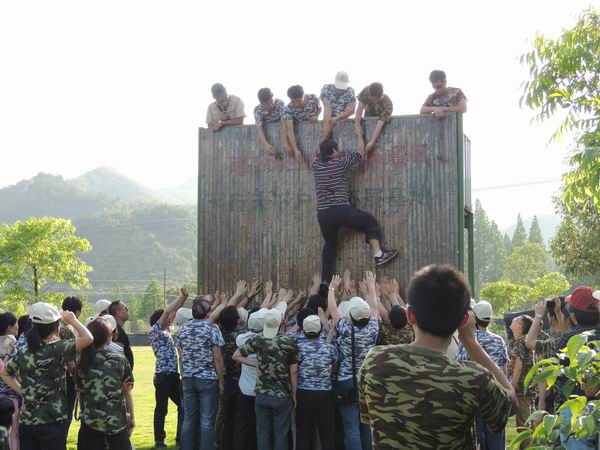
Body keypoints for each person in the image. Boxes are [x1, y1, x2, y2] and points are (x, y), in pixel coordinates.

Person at [358, 265, 515, 450]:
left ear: (410, 316)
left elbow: (368, 416)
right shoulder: (473, 379)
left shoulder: (374, 362)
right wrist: (470, 341)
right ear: (463, 321)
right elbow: (511, 405)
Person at [0, 302, 93, 450]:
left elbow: (5, 374)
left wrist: (23, 391)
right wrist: (73, 320)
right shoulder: (58, 348)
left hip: (28, 422)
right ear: (55, 327)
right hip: (53, 421)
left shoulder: (23, 351)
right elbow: (88, 338)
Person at [313, 138, 398, 287]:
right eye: (337, 149)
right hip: (341, 210)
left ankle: (325, 282)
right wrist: (359, 133)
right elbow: (361, 152)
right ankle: (379, 254)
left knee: (329, 246)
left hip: (324, 214)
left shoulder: (316, 164)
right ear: (334, 150)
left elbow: (319, 151)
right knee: (369, 221)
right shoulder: (341, 162)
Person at [233, 308, 300, 450]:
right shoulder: (289, 341)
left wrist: (254, 363)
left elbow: (236, 355)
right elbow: (294, 372)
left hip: (262, 394)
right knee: (281, 435)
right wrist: (294, 394)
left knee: (263, 433)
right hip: (282, 395)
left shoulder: (257, 339)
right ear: (281, 323)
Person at [327, 272, 379, 450]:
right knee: (367, 428)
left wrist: (332, 289)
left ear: (350, 315)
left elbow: (333, 310)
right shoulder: (373, 329)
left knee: (351, 430)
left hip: (346, 381)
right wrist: (371, 287)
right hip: (367, 381)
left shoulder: (345, 328)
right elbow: (375, 308)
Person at [456, 300, 509, 450]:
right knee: (496, 439)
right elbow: (504, 370)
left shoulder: (468, 340)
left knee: (477, 439)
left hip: (474, 395)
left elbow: (460, 363)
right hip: (495, 394)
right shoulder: (499, 340)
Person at [77, 318, 134, 450]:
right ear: (109, 337)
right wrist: (131, 417)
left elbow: (80, 391)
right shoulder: (119, 360)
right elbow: (127, 390)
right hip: (116, 422)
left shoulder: (82, 361)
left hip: (90, 423)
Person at [175, 296, 225, 450]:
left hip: (188, 378)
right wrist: (221, 380)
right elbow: (217, 356)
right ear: (208, 313)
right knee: (207, 421)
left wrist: (183, 375)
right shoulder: (212, 328)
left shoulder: (183, 329)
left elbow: (181, 356)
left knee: (189, 419)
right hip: (207, 379)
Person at [149, 288, 189, 448]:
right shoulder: (155, 331)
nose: (171, 318)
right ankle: (159, 440)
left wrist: (183, 298)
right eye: (167, 317)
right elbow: (168, 311)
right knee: (162, 408)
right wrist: (179, 296)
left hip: (173, 375)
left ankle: (180, 436)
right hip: (163, 375)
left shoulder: (166, 331)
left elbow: (174, 312)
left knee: (183, 405)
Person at [293, 311, 336, 450]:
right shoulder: (330, 348)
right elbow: (334, 365)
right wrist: (330, 332)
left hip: (303, 393)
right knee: (327, 434)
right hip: (325, 393)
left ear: (303, 330)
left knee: (303, 434)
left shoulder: (298, 347)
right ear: (320, 329)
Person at [233, 308, 265, 450]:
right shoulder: (266, 341)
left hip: (245, 389)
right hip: (261, 391)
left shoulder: (240, 339)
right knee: (260, 426)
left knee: (244, 426)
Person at [216, 305, 242, 450]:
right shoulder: (241, 337)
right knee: (239, 419)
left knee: (227, 419)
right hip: (239, 382)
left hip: (226, 381)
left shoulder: (219, 334)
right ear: (237, 321)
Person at [254, 88, 302, 160]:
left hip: (283, 130)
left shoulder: (279, 103)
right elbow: (259, 129)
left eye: (271, 101)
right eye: (267, 104)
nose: (271, 105)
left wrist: (285, 142)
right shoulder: (258, 110)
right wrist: (266, 144)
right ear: (261, 104)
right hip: (271, 134)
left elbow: (284, 123)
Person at [508, 315, 536, 432]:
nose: (513, 319)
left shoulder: (521, 340)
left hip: (522, 388)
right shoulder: (523, 340)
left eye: (517, 319)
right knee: (530, 423)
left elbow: (519, 366)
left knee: (523, 426)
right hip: (528, 387)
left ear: (520, 327)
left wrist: (512, 386)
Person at [61, 296, 83, 435]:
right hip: (67, 377)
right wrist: (76, 377)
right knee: (67, 412)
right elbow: (69, 357)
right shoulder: (66, 329)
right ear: (77, 312)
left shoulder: (54, 325)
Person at [354, 82, 393, 153]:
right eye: (373, 98)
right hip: (367, 117)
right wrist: (357, 126)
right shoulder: (366, 91)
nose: (374, 101)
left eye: (377, 99)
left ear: (381, 95)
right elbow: (359, 109)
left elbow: (379, 124)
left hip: (379, 120)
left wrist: (372, 141)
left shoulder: (388, 105)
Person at [0, 313, 19, 450]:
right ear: (10, 327)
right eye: (16, 323)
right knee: (12, 434)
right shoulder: (13, 343)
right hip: (10, 395)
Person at [320, 71, 356, 140]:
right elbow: (327, 108)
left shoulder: (350, 91)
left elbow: (352, 110)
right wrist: (326, 128)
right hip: (328, 119)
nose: (340, 89)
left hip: (342, 122)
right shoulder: (326, 88)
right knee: (324, 137)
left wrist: (337, 118)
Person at [108, 301, 134, 369]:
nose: (127, 310)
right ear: (119, 313)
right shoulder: (117, 330)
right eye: (125, 308)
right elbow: (118, 355)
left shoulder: (117, 329)